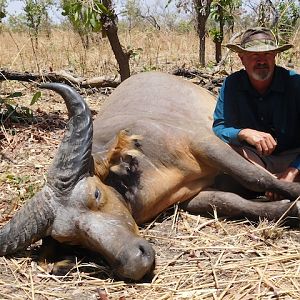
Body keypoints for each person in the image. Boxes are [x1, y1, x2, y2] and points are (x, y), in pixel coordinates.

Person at [212, 27, 300, 198]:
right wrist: (243, 133)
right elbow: (219, 127)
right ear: (241, 58)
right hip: (256, 161)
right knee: (224, 148)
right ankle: (270, 184)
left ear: (275, 56)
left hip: (295, 157)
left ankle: (268, 185)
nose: (262, 61)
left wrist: (292, 171)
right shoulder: (232, 84)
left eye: (267, 54)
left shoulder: (295, 83)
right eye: (254, 55)